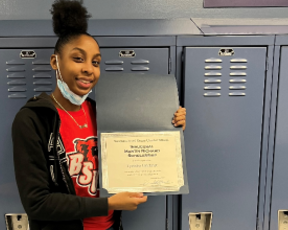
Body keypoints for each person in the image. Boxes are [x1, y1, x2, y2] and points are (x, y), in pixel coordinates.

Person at [11, 1, 187, 230]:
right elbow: (37, 203)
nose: (89, 69)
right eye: (78, 58)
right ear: (55, 62)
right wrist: (107, 204)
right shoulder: (32, 120)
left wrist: (169, 127)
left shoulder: (102, 112)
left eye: (95, 62)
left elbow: (136, 160)